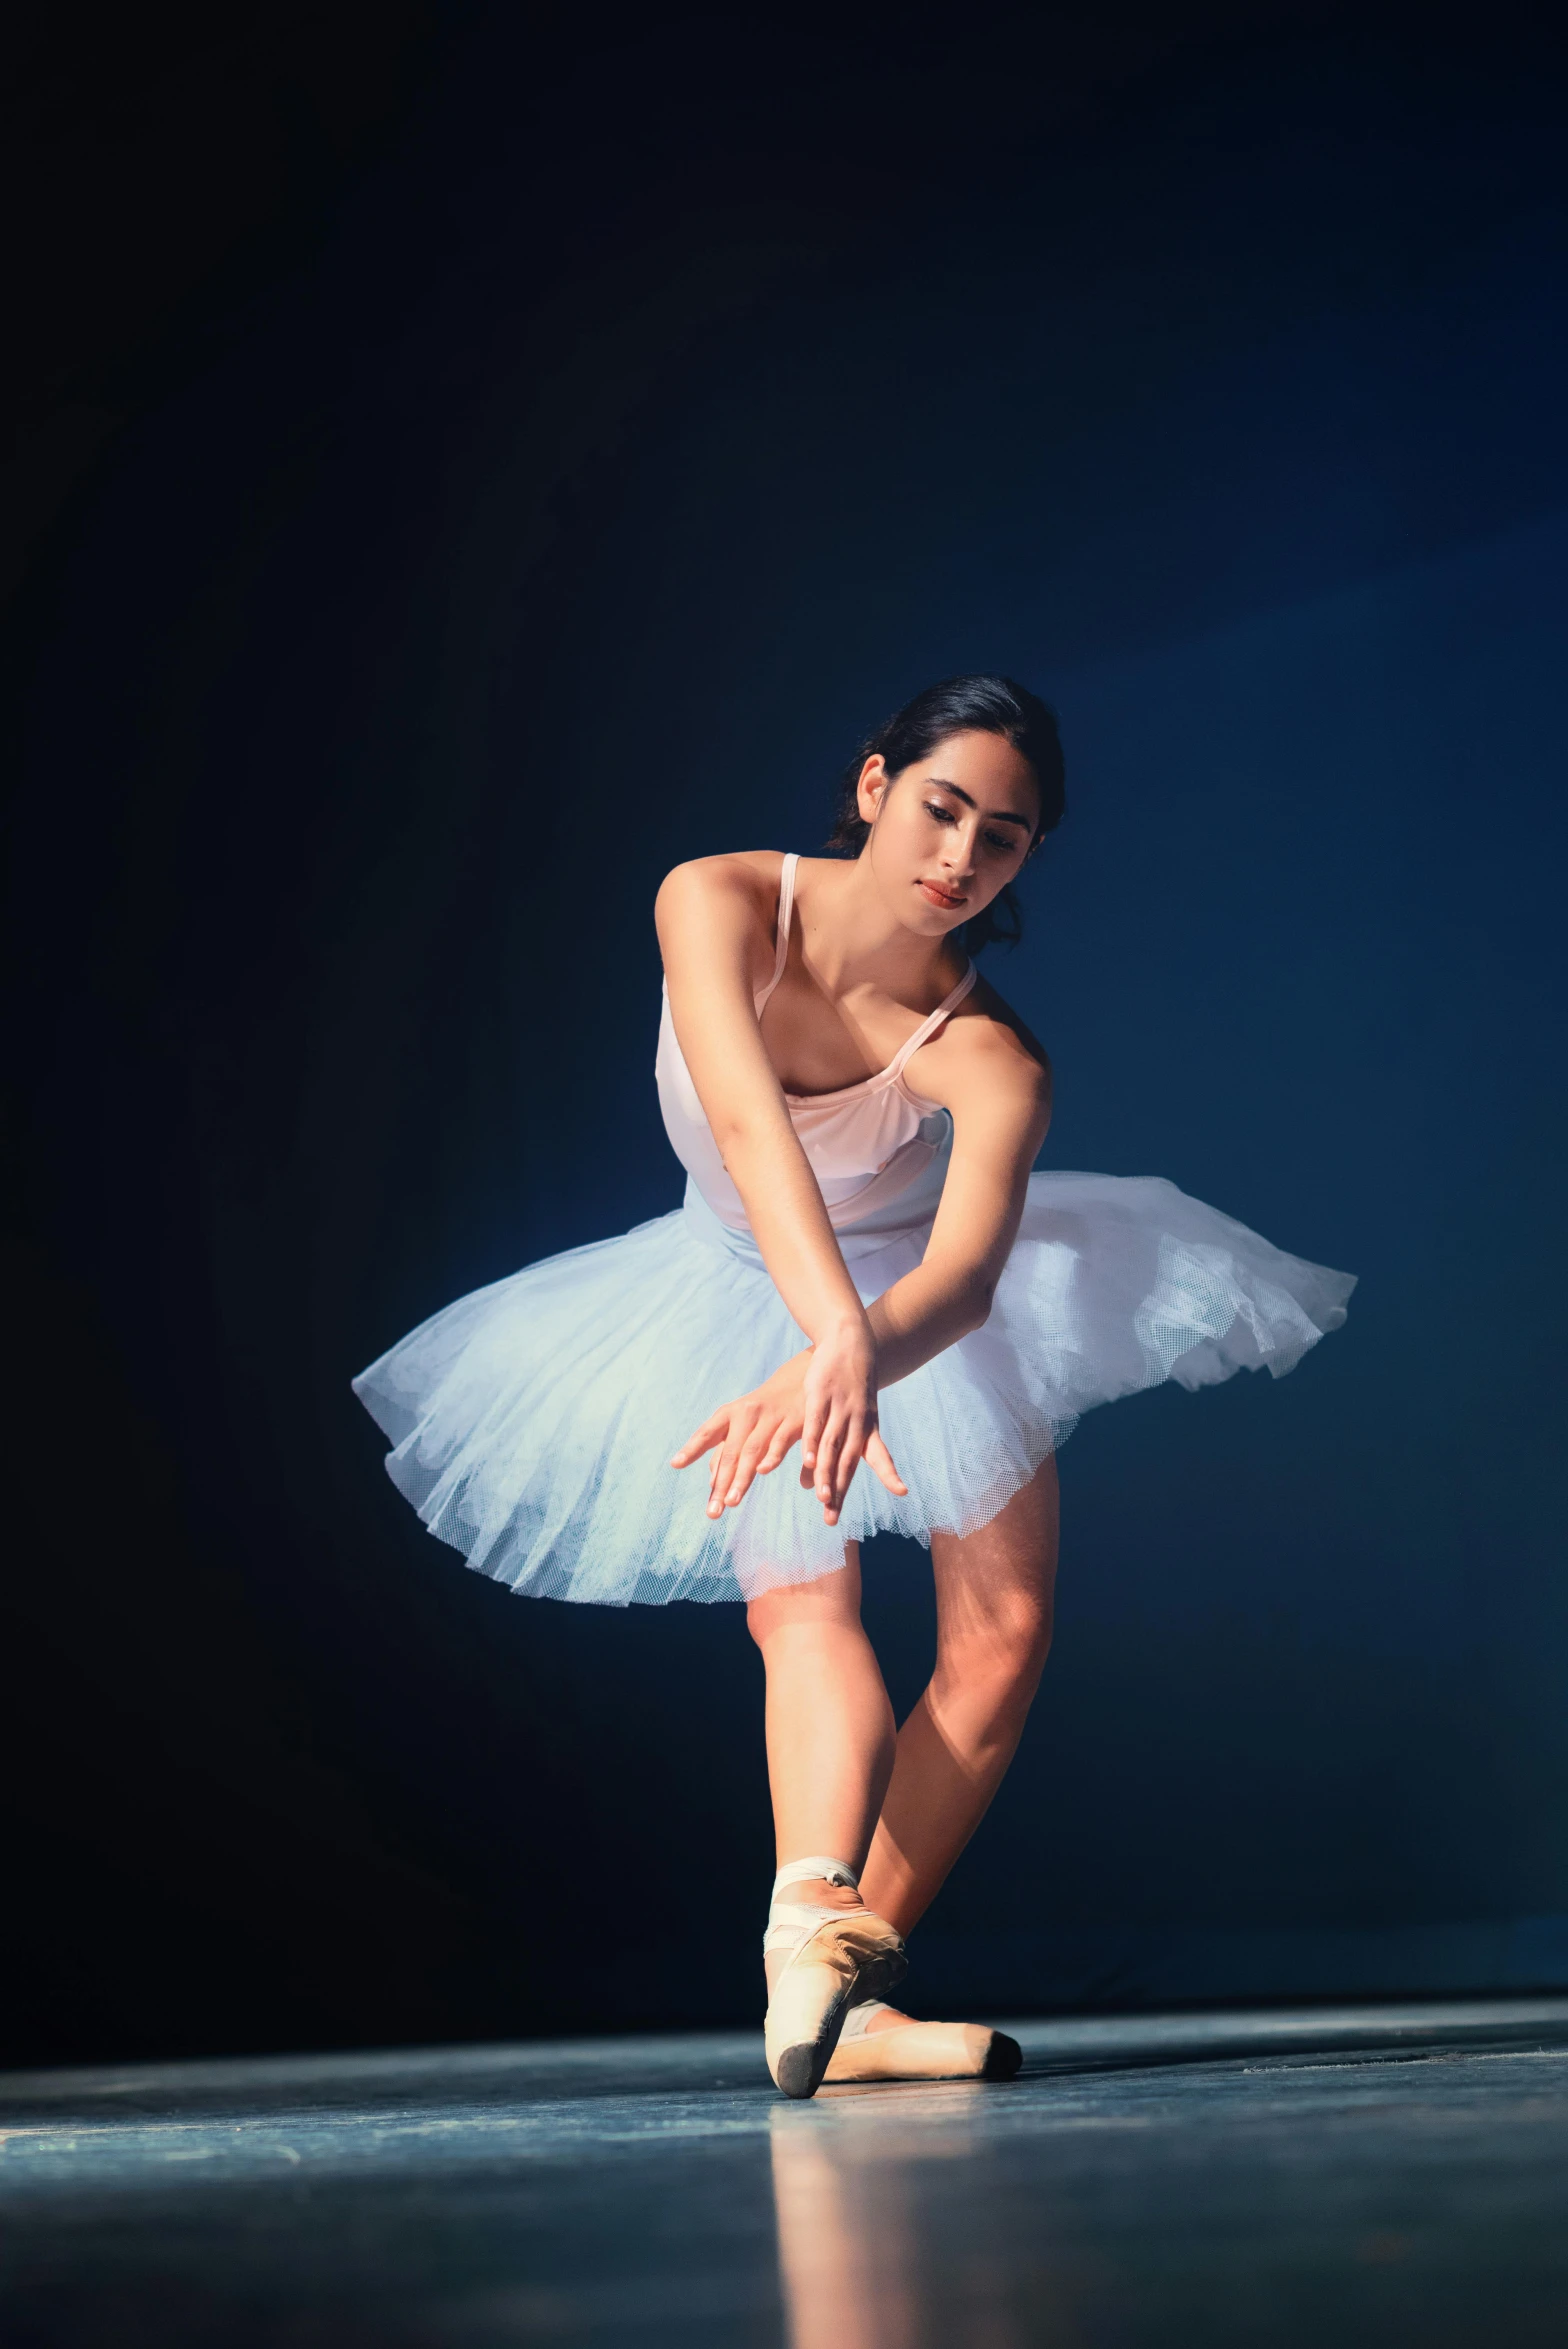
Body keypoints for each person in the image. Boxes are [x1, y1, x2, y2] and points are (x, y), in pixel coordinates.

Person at [353, 675, 1354, 2099]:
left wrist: (857, 1351)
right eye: (942, 809)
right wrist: (827, 1349)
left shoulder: (992, 1056)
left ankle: (847, 1971)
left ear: (1027, 857)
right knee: (803, 1609)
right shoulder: (711, 901)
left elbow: (959, 1279)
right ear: (877, 783)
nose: (959, 859)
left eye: (1001, 839)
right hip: (741, 1284)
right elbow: (756, 1138)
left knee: (1004, 1634)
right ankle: (813, 1914)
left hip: (905, 1317)